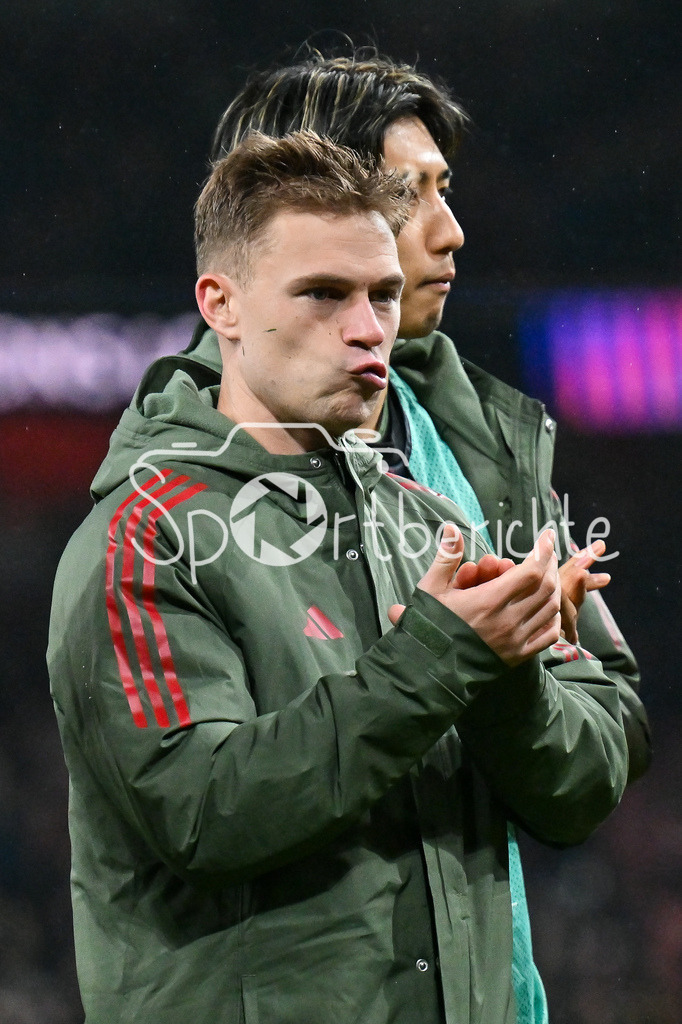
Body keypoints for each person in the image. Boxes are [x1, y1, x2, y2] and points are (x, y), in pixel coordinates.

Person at [48, 131, 630, 1024]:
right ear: (222, 304)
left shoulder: (427, 520)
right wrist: (442, 658)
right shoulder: (147, 534)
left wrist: (506, 675)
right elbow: (206, 811)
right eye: (323, 294)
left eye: (383, 296)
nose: (367, 329)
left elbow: (575, 798)